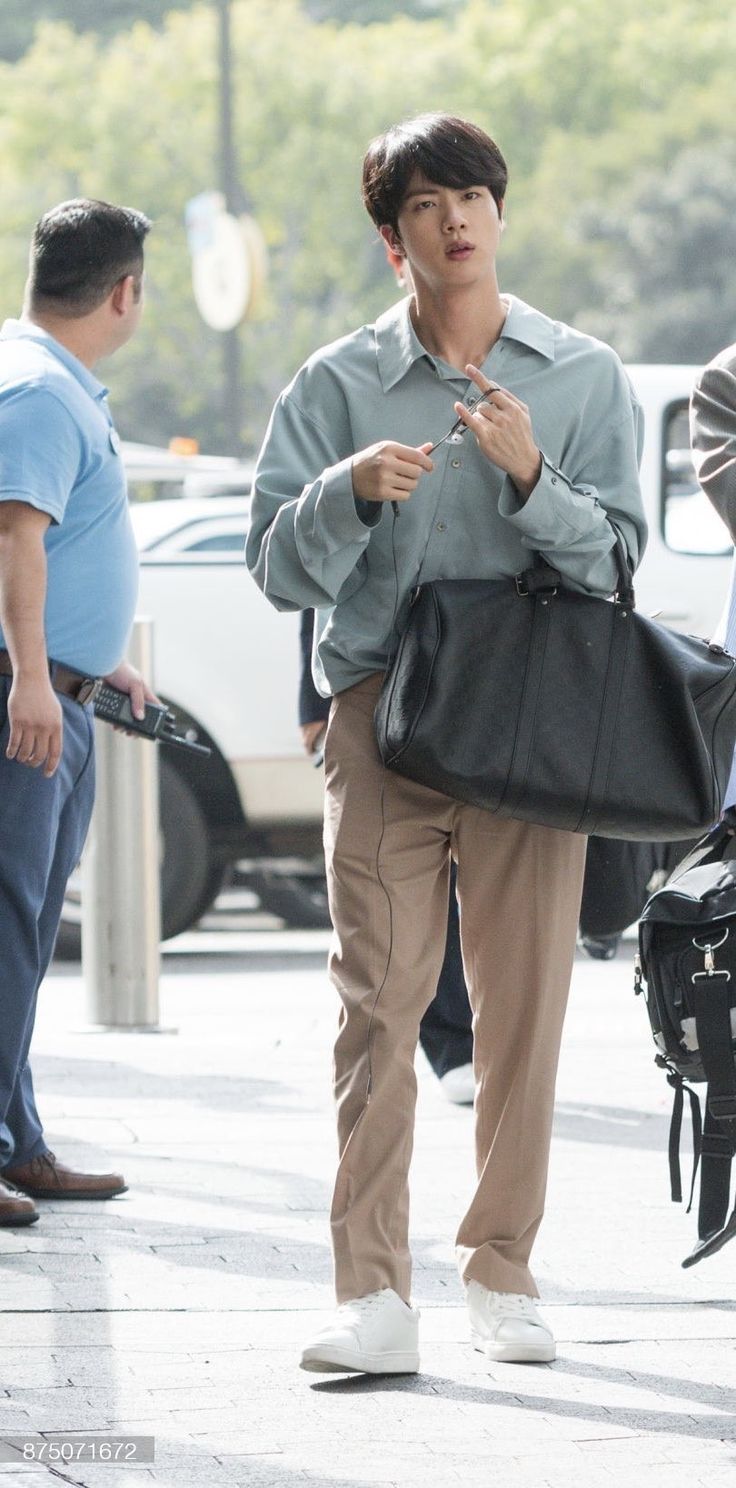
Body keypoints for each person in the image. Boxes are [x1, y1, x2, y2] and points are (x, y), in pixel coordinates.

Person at [247, 113, 646, 1373]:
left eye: (473, 195)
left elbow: (620, 563)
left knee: (524, 1009)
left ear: (500, 214)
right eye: (426, 203)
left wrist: (534, 480)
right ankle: (372, 1294)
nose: (455, 219)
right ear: (391, 238)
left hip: (534, 718)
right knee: (378, 1002)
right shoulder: (333, 385)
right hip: (380, 717)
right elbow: (274, 566)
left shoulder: (579, 377)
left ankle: (503, 1274)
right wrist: (345, 492)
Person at [0, 198, 154, 1229]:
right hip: (28, 701)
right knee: (8, 930)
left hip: (65, 688)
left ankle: (21, 1141)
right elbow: (15, 535)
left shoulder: (44, 380)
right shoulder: (44, 393)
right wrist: (29, 676)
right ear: (125, 291)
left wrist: (102, 668)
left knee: (24, 928)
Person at [299, 607, 474, 1102]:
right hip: (383, 682)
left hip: (492, 669)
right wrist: (311, 702)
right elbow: (317, 594)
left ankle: (466, 1046)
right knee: (391, 922)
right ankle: (452, 1045)